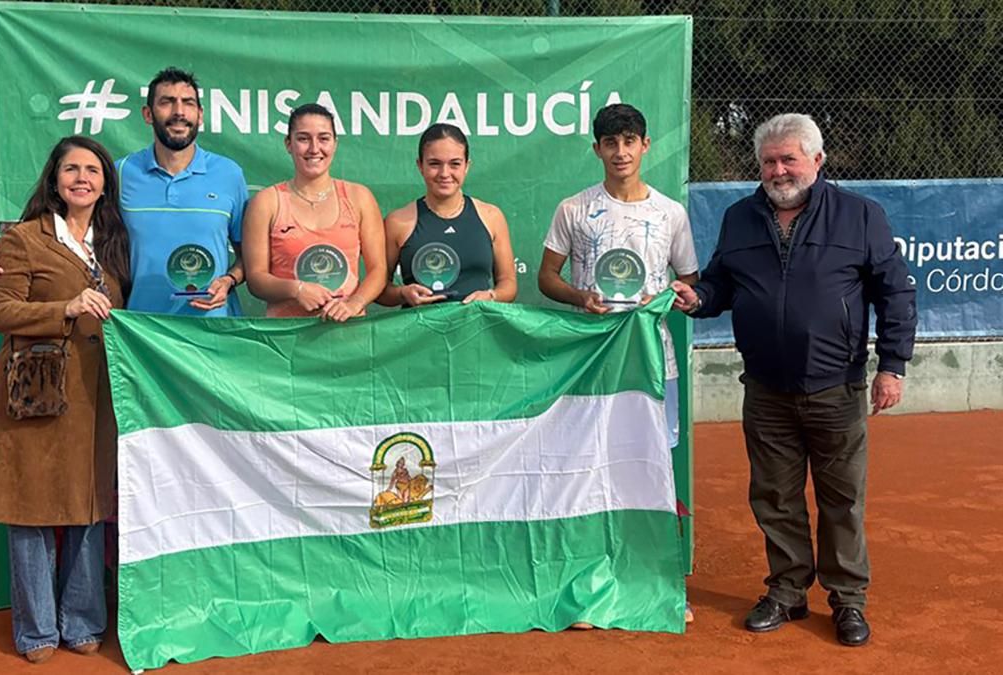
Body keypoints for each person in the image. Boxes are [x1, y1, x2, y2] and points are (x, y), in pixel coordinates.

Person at [670, 113, 917, 647]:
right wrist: (699, 299)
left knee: (841, 499)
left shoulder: (859, 216)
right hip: (765, 388)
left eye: (789, 159)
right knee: (775, 497)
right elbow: (721, 284)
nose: (779, 170)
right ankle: (786, 590)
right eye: (768, 162)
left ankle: (847, 600)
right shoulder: (740, 218)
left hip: (838, 387)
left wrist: (892, 365)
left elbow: (894, 293)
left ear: (817, 161)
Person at [536, 103, 700, 627]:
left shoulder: (671, 213)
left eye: (630, 141)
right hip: (592, 361)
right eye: (610, 142)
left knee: (653, 469)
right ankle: (587, 585)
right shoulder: (573, 209)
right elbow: (546, 278)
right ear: (597, 150)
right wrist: (580, 297)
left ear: (646, 145)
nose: (621, 151)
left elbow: (691, 280)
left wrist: (682, 295)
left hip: (653, 362)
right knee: (586, 468)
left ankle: (659, 579)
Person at [0, 136, 129, 663]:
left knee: (88, 506)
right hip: (38, 391)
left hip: (97, 394)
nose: (82, 177)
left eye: (92, 169)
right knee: (32, 508)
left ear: (106, 183)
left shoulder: (113, 243)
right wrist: (64, 307)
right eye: (72, 169)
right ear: (55, 179)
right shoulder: (23, 239)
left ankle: (84, 621)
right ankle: (38, 631)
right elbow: (2, 311)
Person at [0, 67, 247, 316]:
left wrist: (229, 280)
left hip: (213, 326)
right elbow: (68, 227)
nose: (179, 112)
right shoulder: (119, 172)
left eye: (188, 103)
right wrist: (8, 257)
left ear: (200, 114)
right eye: (167, 102)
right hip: (139, 330)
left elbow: (249, 257)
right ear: (147, 113)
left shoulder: (229, 174)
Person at [242, 103, 387, 321]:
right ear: (288, 144)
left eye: (324, 138)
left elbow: (378, 270)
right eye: (303, 138)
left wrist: (354, 303)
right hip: (287, 340)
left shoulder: (359, 198)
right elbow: (256, 279)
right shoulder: (266, 202)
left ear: (335, 144)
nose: (314, 148)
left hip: (349, 337)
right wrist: (296, 290)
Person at [376, 123, 516, 307]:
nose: (444, 173)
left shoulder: (491, 216)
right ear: (420, 166)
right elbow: (379, 289)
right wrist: (403, 293)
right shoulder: (397, 222)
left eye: (455, 164)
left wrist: (491, 295)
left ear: (467, 166)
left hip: (479, 330)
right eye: (434, 164)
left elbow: (508, 283)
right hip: (421, 333)